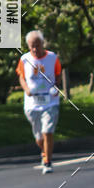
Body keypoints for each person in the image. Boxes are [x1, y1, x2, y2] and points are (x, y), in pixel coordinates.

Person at [16, 30, 62, 173]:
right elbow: (21, 77)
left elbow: (58, 75)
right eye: (31, 46)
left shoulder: (53, 57)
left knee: (47, 131)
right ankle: (43, 151)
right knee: (38, 137)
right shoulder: (24, 59)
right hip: (32, 104)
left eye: (37, 45)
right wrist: (26, 89)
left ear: (43, 43)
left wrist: (56, 86)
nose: (35, 49)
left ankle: (47, 162)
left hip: (50, 102)